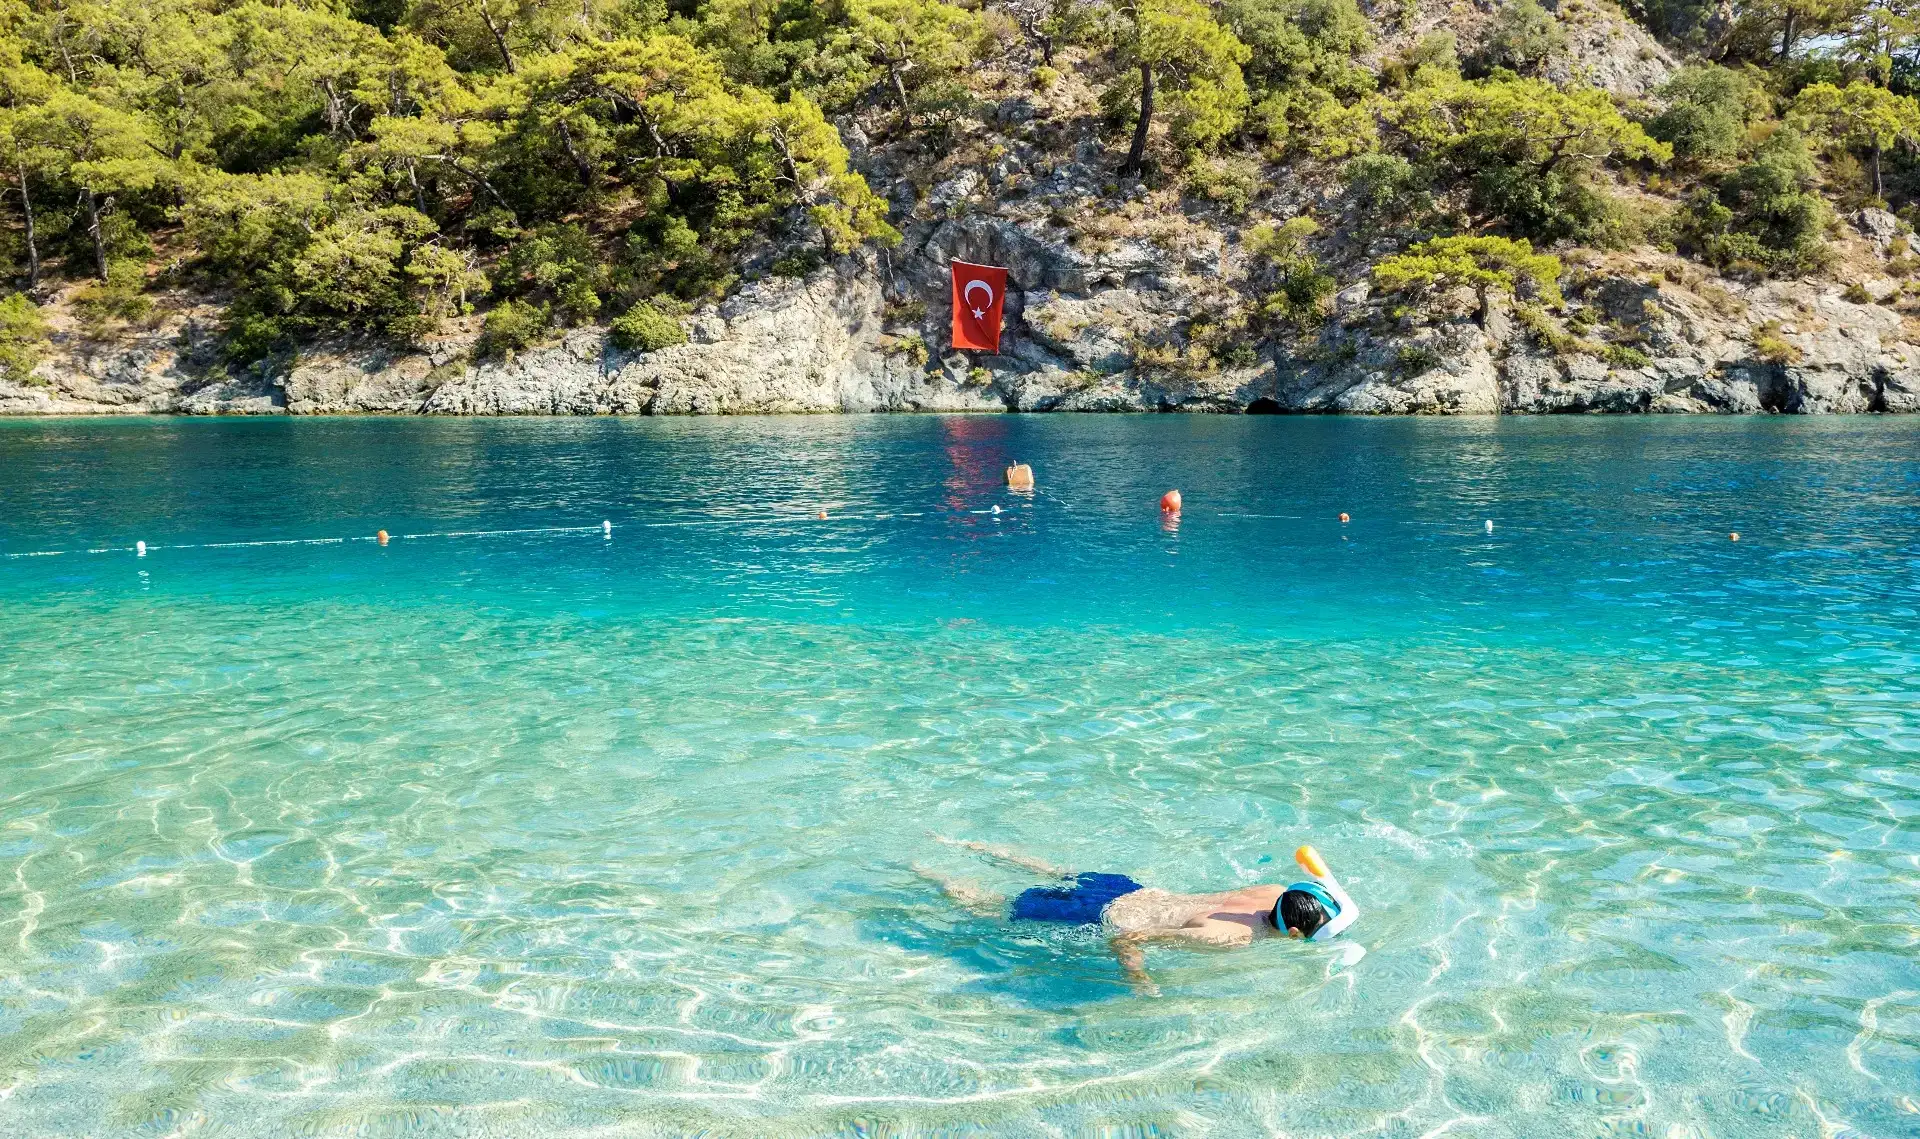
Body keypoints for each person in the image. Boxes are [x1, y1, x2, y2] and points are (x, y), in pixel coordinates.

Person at [920, 838, 1358, 993]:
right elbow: (1128, 940)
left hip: (1129, 887)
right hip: (1094, 915)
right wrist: (1141, 985)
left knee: (1049, 870)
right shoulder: (1232, 939)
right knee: (990, 908)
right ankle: (923, 872)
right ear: (1296, 932)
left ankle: (963, 845)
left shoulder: (1272, 891)